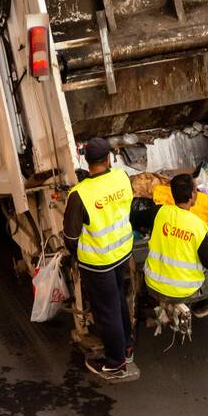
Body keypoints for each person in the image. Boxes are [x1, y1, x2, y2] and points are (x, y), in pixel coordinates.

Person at [62, 136, 135, 380]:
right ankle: (127, 347)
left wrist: (78, 255)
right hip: (122, 252)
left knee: (107, 311)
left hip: (98, 262)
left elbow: (70, 237)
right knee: (119, 301)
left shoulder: (79, 194)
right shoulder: (122, 177)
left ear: (87, 160)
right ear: (109, 158)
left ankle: (116, 363)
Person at [138, 173, 208, 305]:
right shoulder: (198, 226)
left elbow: (136, 218)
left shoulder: (158, 212)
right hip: (180, 293)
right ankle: (201, 308)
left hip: (152, 285)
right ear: (192, 195)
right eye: (196, 190)